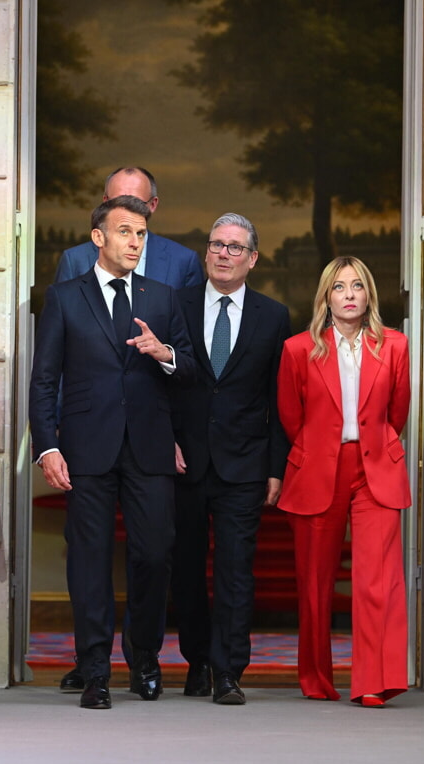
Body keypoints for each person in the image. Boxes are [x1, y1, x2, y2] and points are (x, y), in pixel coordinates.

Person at [30, 195, 195, 710]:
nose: (135, 242)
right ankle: (96, 670)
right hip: (87, 448)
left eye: (142, 233)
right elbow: (44, 380)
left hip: (149, 447)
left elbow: (190, 370)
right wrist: (48, 446)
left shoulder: (164, 298)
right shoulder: (65, 296)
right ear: (98, 237)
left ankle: (144, 659)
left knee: (153, 555)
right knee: (89, 562)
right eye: (125, 232)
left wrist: (164, 354)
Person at [276, 255, 411, 707]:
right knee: (314, 584)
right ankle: (316, 678)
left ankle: (373, 682)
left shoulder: (395, 345)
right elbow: (291, 417)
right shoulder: (298, 349)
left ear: (369, 293)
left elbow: (398, 413)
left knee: (377, 581)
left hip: (375, 471)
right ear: (326, 297)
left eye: (357, 286)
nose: (349, 295)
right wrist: (321, 449)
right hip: (318, 470)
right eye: (339, 287)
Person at [170, 213, 291, 705]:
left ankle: (228, 671)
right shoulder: (174, 305)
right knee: (186, 569)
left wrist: (276, 467)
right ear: (206, 253)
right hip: (183, 462)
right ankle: (196, 662)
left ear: (253, 259)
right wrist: (163, 442)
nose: (223, 253)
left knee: (236, 570)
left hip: (244, 463)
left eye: (234, 247)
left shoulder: (274, 315)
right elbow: (156, 385)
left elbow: (279, 398)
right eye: (216, 244)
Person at [54, 166, 203, 288]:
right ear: (105, 203)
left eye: (136, 204)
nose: (127, 212)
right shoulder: (74, 260)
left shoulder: (183, 261)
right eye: (118, 203)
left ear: (152, 205)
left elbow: (188, 323)